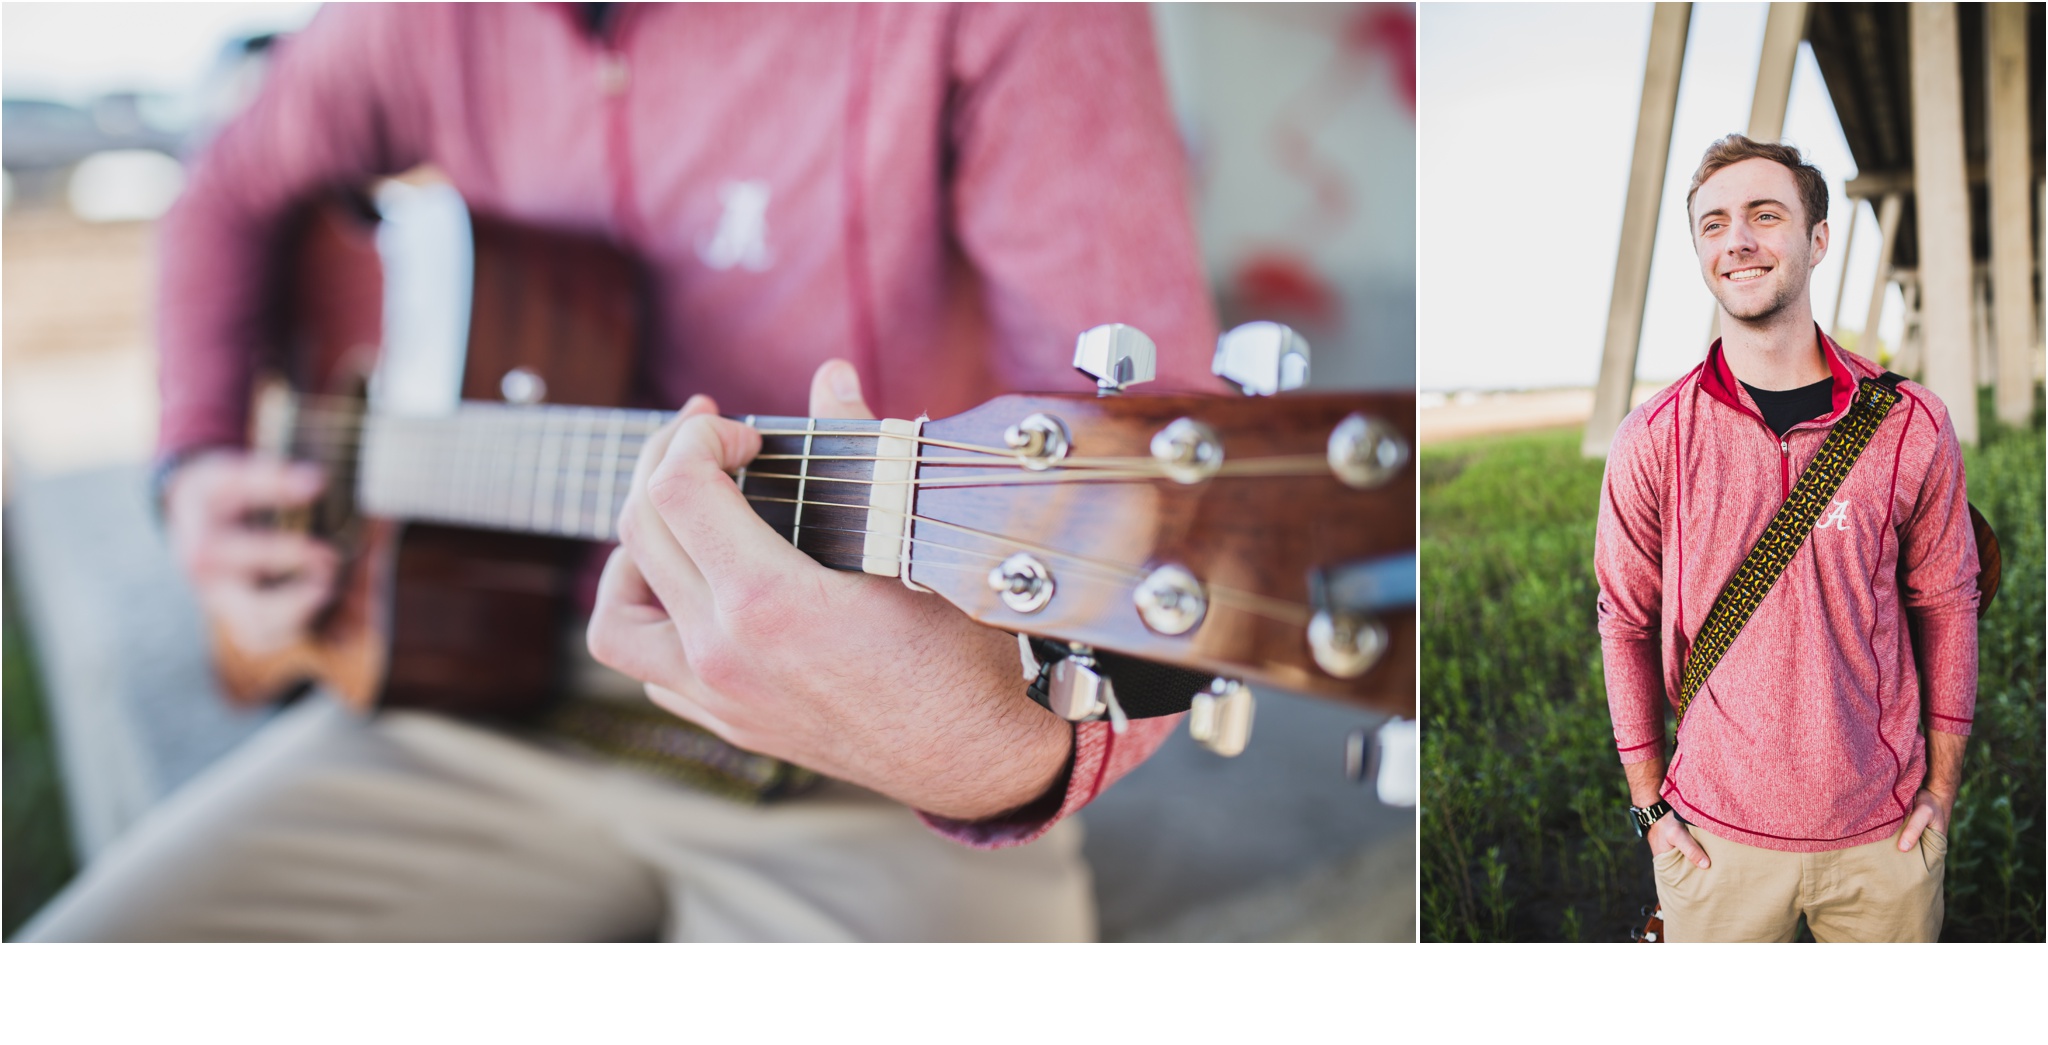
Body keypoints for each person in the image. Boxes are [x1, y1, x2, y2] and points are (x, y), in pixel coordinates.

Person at [23, 3, 1221, 941]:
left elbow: (1165, 517)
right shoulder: (419, 20)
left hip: (865, 755)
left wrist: (981, 750)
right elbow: (226, 184)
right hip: (477, 695)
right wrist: (192, 463)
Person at [1595, 135, 1979, 943]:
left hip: (1884, 838)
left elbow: (1949, 604)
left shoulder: (1912, 425)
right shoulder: (1653, 437)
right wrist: (1647, 803)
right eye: (1714, 224)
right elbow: (1625, 619)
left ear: (1818, 239)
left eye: (1765, 216)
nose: (1737, 239)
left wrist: (1941, 791)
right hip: (1711, 843)